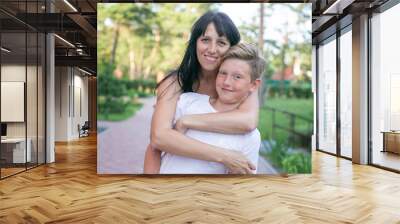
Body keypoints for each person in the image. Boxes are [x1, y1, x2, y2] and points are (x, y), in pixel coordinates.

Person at [143, 11, 260, 174]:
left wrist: (186, 121)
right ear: (195, 43)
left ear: (231, 48)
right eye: (205, 40)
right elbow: (158, 138)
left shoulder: (235, 86)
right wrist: (224, 156)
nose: (212, 49)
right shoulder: (175, 83)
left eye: (221, 42)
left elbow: (248, 122)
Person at [160, 43, 265, 174]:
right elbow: (157, 146)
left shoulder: (250, 137)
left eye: (237, 77)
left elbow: (241, 187)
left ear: (254, 85)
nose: (226, 82)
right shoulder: (187, 102)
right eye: (223, 73)